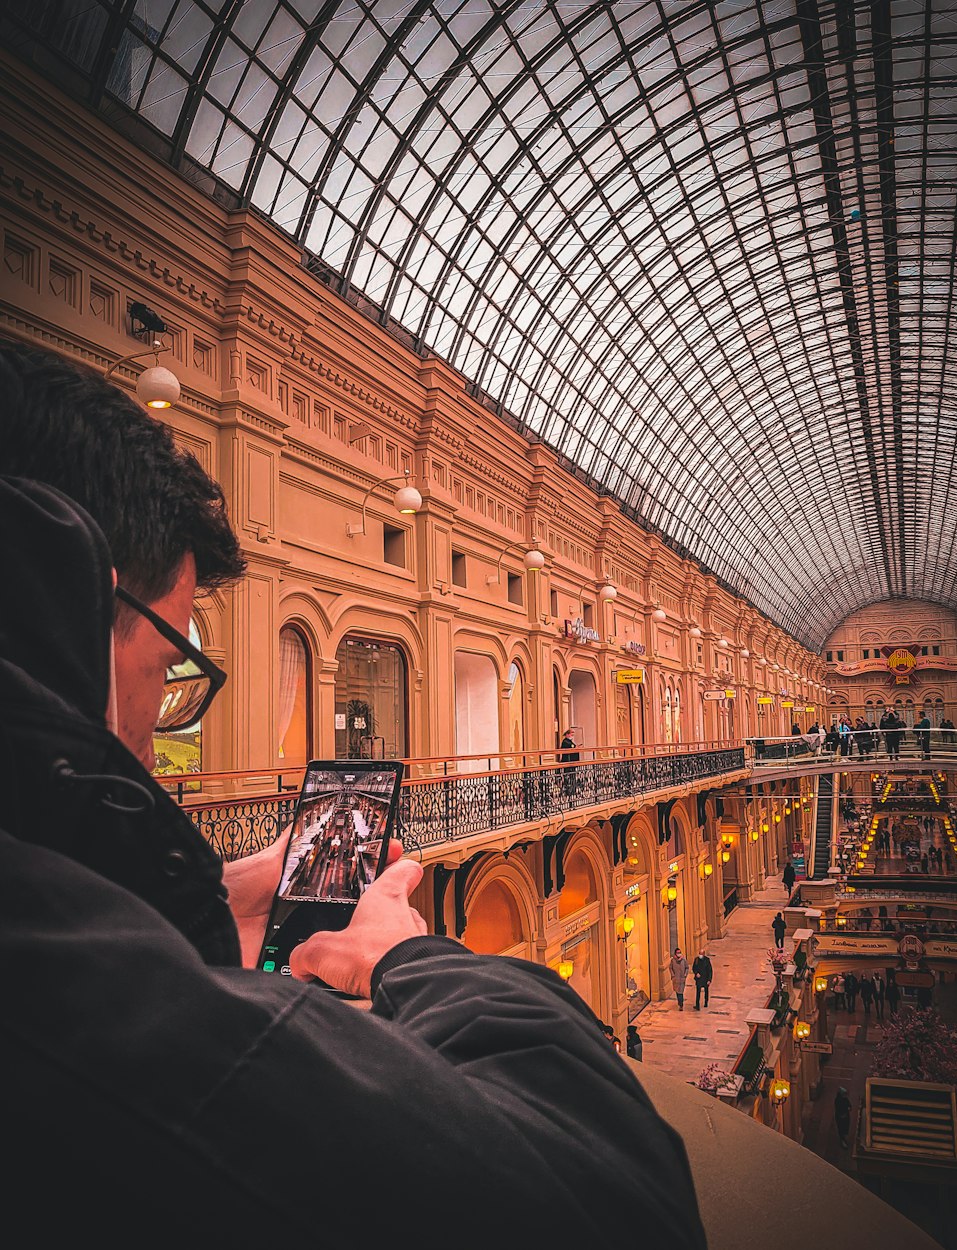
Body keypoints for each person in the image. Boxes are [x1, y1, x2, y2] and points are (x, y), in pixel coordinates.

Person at [0, 340, 708, 1246]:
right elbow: (619, 1202)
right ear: (68, 608)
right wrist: (407, 958)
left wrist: (191, 909)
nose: (148, 732)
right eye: (169, 668)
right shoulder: (60, 1000)